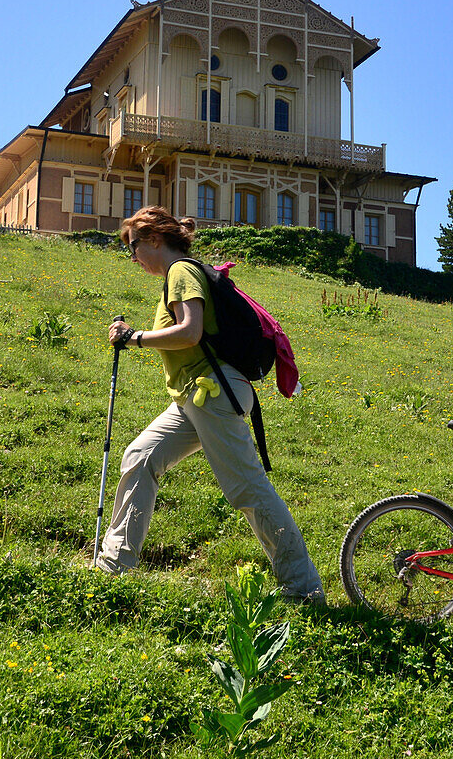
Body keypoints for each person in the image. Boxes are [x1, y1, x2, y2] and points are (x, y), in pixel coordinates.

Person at [93, 205, 325, 603]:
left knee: (247, 489)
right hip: (192, 396)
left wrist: (134, 338)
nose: (132, 257)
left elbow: (190, 331)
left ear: (153, 239)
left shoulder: (181, 271)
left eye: (132, 247)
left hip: (212, 393)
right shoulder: (177, 274)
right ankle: (113, 566)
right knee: (139, 457)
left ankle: (304, 589)